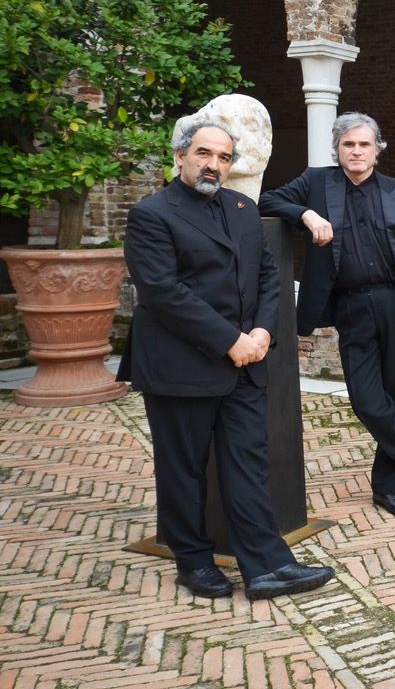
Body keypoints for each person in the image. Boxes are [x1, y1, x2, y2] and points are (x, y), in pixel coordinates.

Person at [119, 121, 333, 600]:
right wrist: (229, 340)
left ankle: (267, 566)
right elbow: (162, 292)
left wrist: (261, 331)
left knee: (248, 465)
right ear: (180, 156)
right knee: (184, 469)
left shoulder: (242, 208)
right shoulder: (151, 214)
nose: (213, 164)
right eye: (203, 153)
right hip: (180, 365)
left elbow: (267, 276)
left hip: (245, 362)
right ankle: (193, 563)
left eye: (223, 157)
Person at [259, 112, 395, 517]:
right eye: (348, 144)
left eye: (364, 144)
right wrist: (306, 214)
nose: (356, 151)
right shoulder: (316, 182)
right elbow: (266, 199)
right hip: (351, 306)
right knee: (366, 400)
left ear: (377, 149)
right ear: (337, 149)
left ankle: (387, 488)